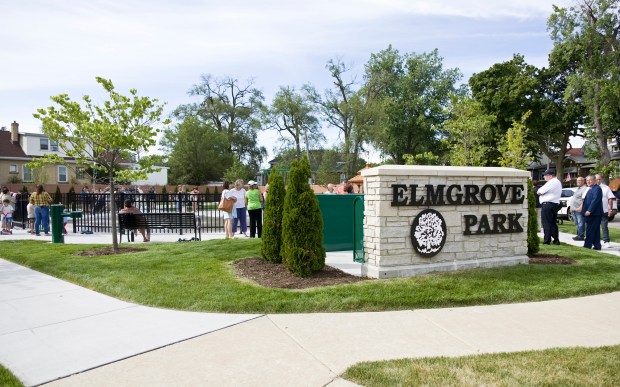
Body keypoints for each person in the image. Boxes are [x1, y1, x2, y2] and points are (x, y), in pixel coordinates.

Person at [536, 169, 562, 245]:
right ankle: (556, 240)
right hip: (553, 204)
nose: (544, 177)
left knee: (546, 223)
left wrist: (541, 193)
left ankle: (547, 240)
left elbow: (540, 191)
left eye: (545, 175)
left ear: (550, 176)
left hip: (548, 205)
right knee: (552, 223)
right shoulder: (556, 182)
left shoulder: (552, 182)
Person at [582, 175, 603, 250]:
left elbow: (595, 201)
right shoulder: (590, 189)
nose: (588, 182)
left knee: (590, 230)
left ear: (594, 180)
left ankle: (587, 245)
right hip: (592, 213)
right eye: (587, 180)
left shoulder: (597, 189)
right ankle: (597, 246)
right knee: (595, 230)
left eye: (590, 180)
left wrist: (589, 210)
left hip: (594, 213)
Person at [595, 174, 615, 248]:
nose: (598, 181)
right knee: (594, 227)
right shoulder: (591, 188)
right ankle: (595, 240)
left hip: (604, 210)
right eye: (597, 179)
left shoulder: (606, 188)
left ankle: (606, 241)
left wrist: (610, 209)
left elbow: (610, 199)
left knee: (604, 226)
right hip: (594, 211)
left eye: (599, 179)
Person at [570, 176, 587, 241]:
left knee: (581, 223)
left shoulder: (584, 189)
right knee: (577, 223)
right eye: (577, 181)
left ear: (583, 181)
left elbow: (584, 199)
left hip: (579, 209)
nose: (578, 182)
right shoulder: (578, 189)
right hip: (574, 209)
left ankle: (581, 236)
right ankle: (579, 234)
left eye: (580, 180)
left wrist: (581, 207)